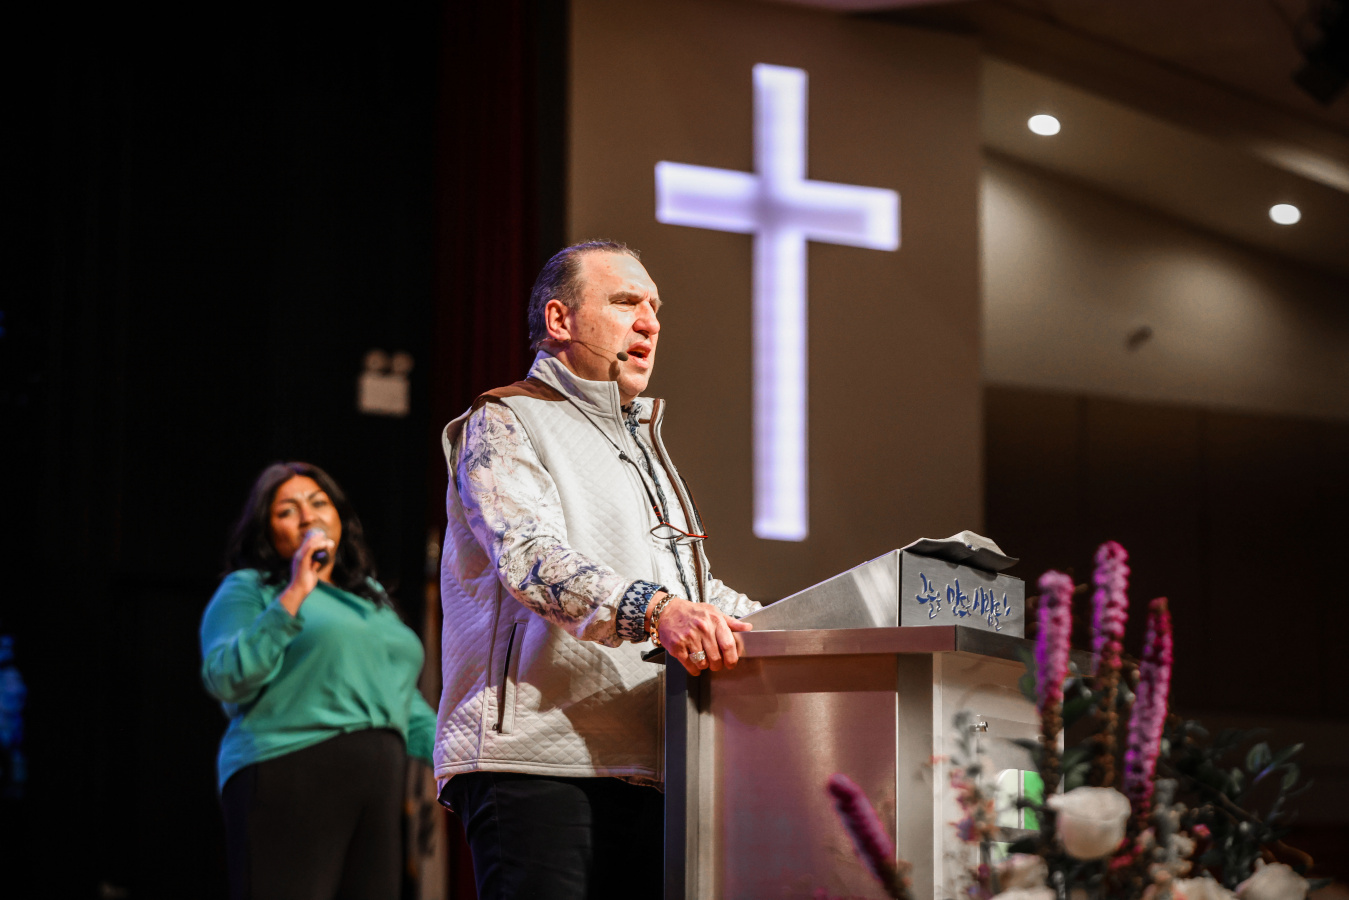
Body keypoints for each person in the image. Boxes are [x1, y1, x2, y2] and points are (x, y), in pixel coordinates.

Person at [434, 240, 760, 899]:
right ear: (560, 320)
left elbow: (692, 591)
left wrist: (806, 627)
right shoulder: (505, 419)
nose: (650, 322)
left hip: (653, 763)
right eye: (625, 302)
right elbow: (530, 557)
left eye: (655, 308)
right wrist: (659, 611)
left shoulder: (641, 446)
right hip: (535, 762)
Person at [200, 461, 437, 900]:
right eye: (287, 510)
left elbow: (400, 698)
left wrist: (456, 759)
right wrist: (295, 592)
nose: (307, 516)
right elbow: (226, 679)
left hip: (379, 782)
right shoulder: (250, 588)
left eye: (318, 503)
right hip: (288, 769)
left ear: (340, 518)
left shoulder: (370, 597)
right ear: (266, 530)